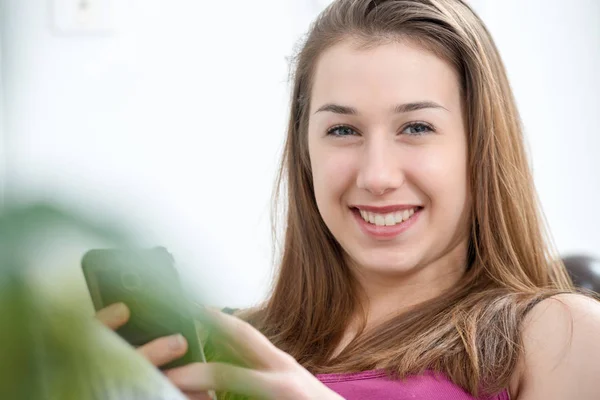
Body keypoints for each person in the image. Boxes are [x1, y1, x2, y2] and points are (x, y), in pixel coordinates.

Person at [97, 0, 600, 399]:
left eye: (417, 127)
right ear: (305, 151)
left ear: (480, 147)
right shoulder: (228, 344)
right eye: (343, 129)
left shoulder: (565, 335)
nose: (377, 175)